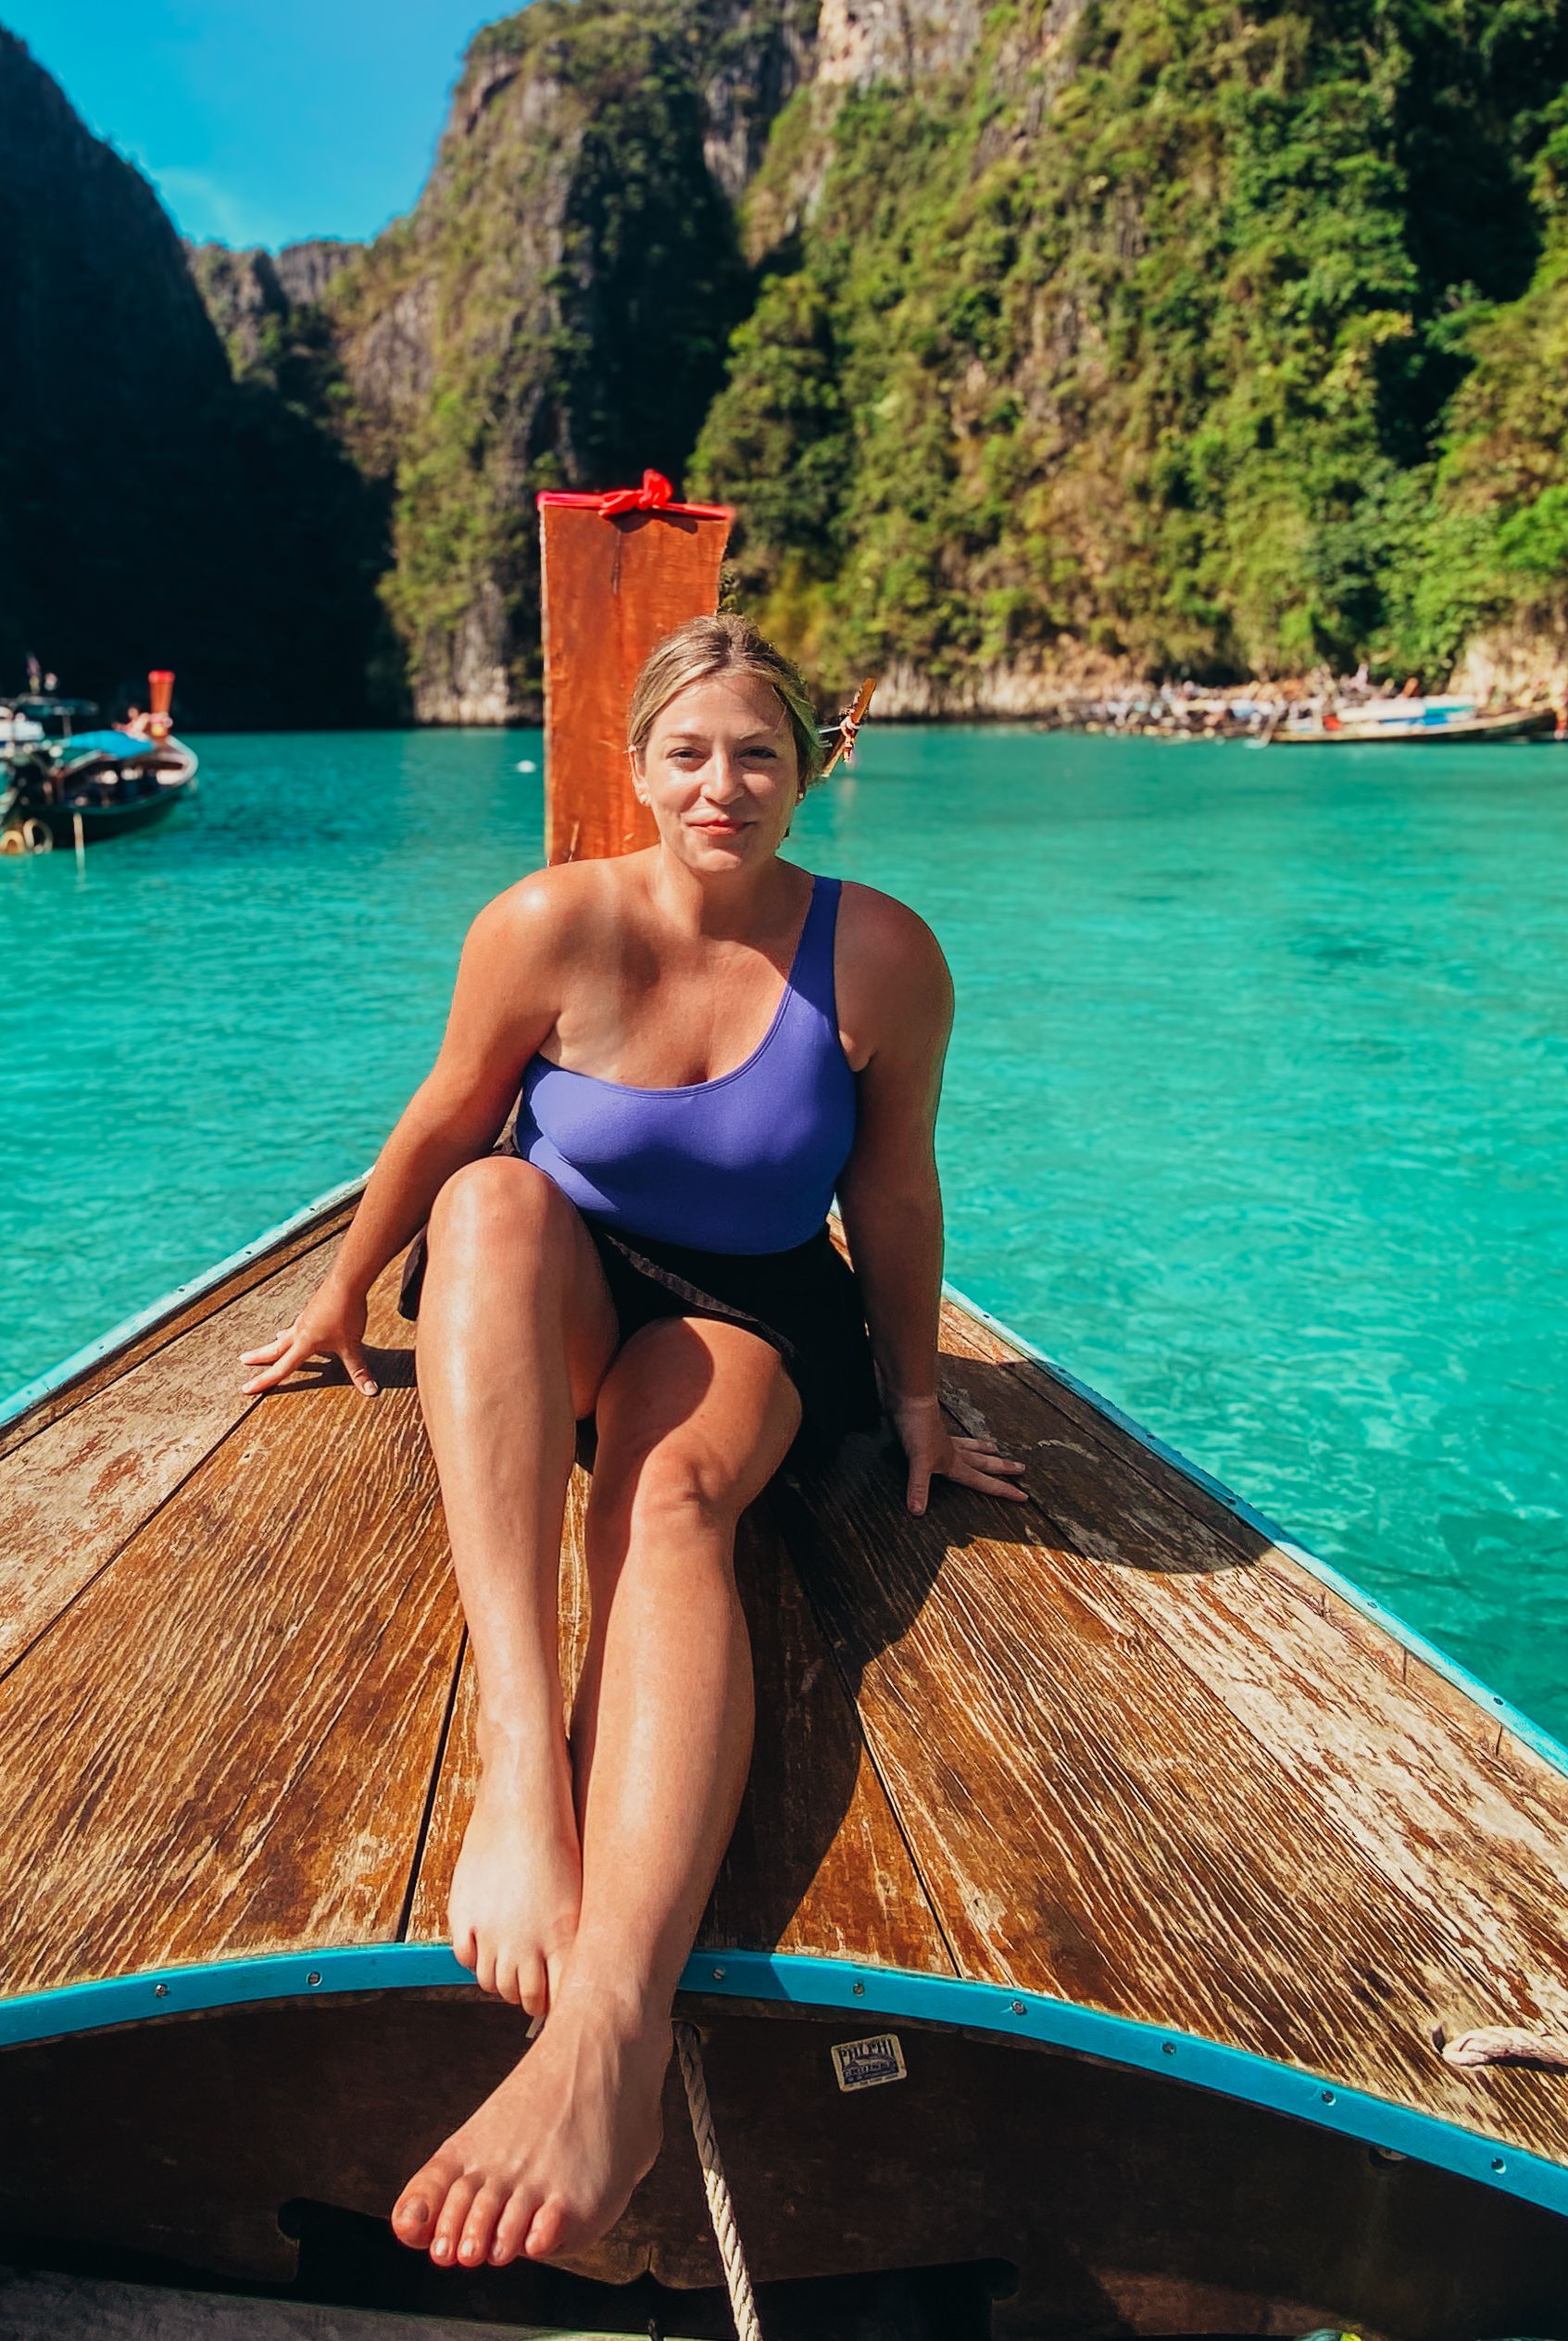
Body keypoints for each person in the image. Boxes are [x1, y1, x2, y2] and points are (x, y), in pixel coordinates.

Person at [238, 613, 1026, 2277]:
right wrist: (338, 1295)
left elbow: (888, 1191)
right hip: (559, 1278)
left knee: (670, 1498)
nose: (721, 784)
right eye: (689, 751)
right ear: (637, 765)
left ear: (816, 765)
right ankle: (523, 1783)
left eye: (759, 752)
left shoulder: (878, 954)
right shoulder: (546, 922)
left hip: (752, 1310)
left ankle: (610, 2033)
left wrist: (912, 1400)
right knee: (497, 1197)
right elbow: (447, 1116)